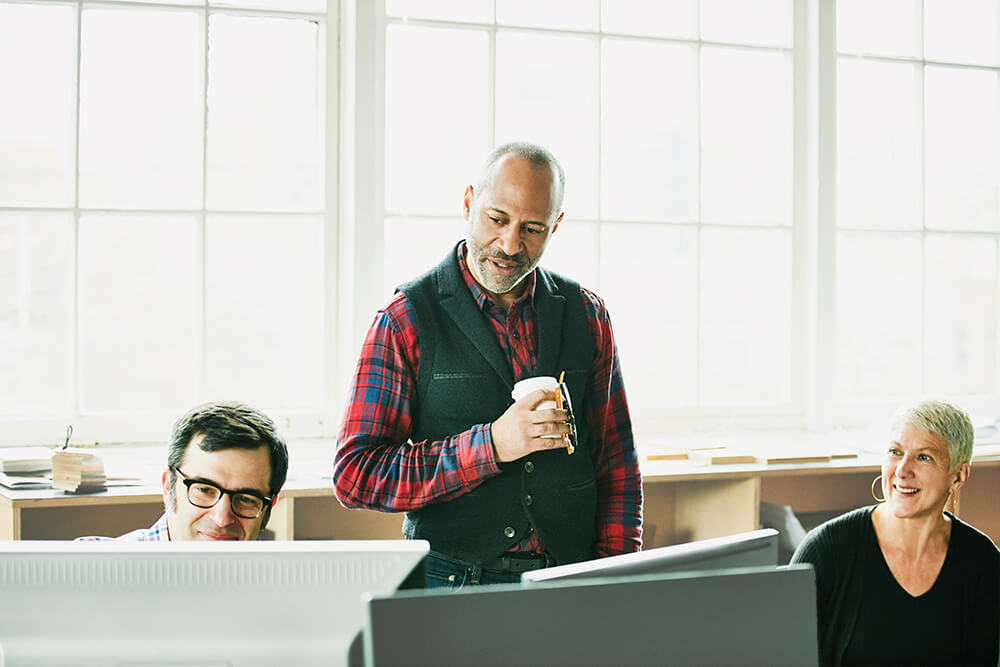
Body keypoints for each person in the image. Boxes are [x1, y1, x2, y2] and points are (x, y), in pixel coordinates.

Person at [334, 141, 642, 587]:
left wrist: (618, 577)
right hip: (452, 584)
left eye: (532, 228)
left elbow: (617, 465)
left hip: (571, 582)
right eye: (497, 219)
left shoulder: (589, 316)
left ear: (555, 226)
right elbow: (355, 475)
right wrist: (491, 445)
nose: (510, 243)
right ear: (468, 203)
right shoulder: (404, 320)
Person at [791, 398, 999, 666]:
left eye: (924, 457)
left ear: (958, 476)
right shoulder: (825, 551)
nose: (902, 471)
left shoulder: (983, 564)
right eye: (895, 451)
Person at [78, 401, 289, 541]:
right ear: (168, 486)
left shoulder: (288, 591)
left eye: (245, 498)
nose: (223, 518)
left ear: (269, 508)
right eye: (205, 490)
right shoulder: (85, 570)